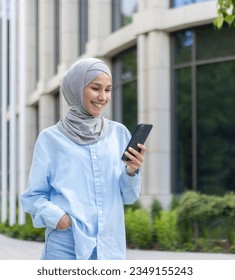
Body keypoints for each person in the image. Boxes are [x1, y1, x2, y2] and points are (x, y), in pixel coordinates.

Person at [20, 57, 147, 260]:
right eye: (96, 88)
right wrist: (59, 218)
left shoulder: (119, 133)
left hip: (109, 246)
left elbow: (128, 197)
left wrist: (132, 171)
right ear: (76, 89)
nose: (103, 97)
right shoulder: (50, 138)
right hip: (66, 245)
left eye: (108, 89)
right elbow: (33, 196)